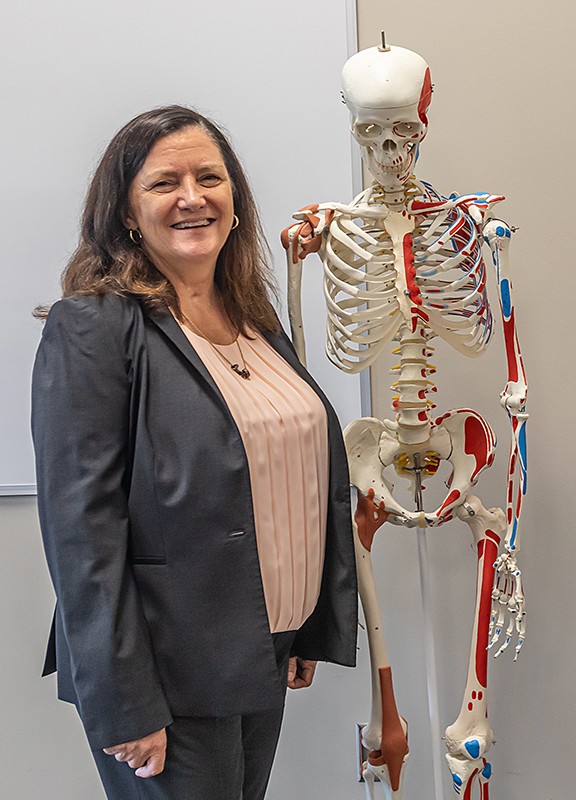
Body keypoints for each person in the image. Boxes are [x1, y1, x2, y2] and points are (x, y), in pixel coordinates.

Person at [32, 105, 357, 799]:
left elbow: (286, 475)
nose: (192, 197)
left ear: (235, 201)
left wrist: (307, 625)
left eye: (210, 177)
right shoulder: (92, 327)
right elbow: (80, 533)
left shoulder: (253, 321)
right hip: (166, 667)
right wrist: (124, 701)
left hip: (260, 643)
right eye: (164, 182)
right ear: (125, 212)